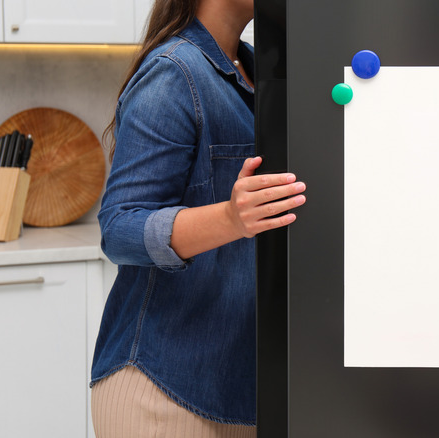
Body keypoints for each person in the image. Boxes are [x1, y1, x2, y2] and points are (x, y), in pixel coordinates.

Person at [90, 0, 305, 436]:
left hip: (238, 389)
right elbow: (120, 228)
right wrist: (230, 217)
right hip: (164, 389)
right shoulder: (176, 71)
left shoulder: (257, 72)